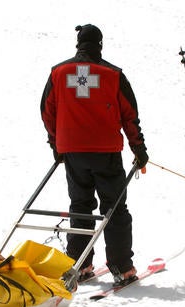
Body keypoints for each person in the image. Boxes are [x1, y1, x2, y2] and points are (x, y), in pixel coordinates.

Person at [40, 24, 148, 285]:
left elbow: (47, 110)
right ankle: (122, 267)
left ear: (78, 44)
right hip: (106, 153)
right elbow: (129, 115)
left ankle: (80, 262)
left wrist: (57, 144)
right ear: (100, 44)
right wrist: (139, 148)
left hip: (73, 153)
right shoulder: (112, 75)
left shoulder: (59, 72)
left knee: (80, 206)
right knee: (114, 208)